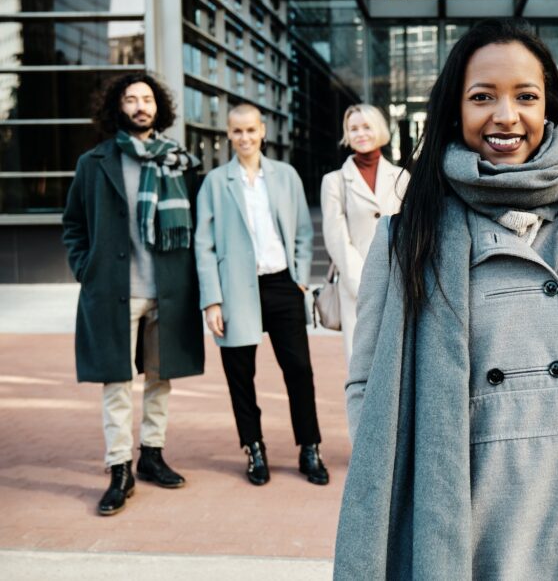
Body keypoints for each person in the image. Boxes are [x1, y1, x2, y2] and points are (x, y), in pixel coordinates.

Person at [333, 19, 558, 579]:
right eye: (483, 97)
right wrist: (421, 516)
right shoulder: (409, 235)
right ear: (455, 109)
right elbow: (368, 391)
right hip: (467, 538)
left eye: (526, 96)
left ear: (550, 105)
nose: (505, 116)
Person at [62, 73, 204, 516]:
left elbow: (199, 224)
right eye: (131, 99)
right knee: (117, 382)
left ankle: (152, 454)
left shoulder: (181, 162)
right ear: (117, 107)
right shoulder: (95, 161)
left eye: (147, 98)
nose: (140, 106)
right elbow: (73, 225)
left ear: (158, 107)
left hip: (169, 289)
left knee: (160, 379)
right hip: (113, 291)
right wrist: (87, 270)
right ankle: (119, 466)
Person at [194, 104, 329, 487]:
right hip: (235, 291)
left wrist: (300, 278)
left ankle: (309, 448)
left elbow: (303, 231)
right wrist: (212, 300)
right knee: (241, 376)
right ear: (228, 134)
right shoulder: (215, 183)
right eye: (237, 131)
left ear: (263, 130)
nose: (245, 138)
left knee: (299, 372)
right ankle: (253, 447)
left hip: (282, 285)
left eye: (251, 130)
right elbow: (202, 245)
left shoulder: (285, 176)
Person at [320, 104, 409, 360]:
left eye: (366, 127)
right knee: (362, 362)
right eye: (353, 128)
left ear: (378, 129)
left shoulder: (401, 178)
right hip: (355, 286)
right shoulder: (334, 181)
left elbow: (409, 231)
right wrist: (362, 283)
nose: (360, 133)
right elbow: (336, 237)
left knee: (397, 361)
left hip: (397, 281)